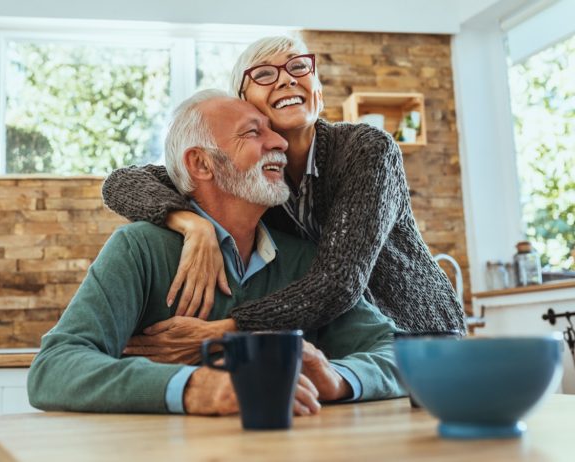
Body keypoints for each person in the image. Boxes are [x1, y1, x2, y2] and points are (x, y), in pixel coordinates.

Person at [27, 90, 406, 415]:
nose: (280, 143)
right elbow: (54, 368)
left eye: (273, 132)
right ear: (201, 163)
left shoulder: (304, 260)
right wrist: (196, 387)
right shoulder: (139, 249)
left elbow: (399, 355)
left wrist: (338, 379)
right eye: (253, 133)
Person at [101, 36, 466, 349]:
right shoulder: (251, 176)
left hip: (418, 335)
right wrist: (194, 225)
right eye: (264, 74)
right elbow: (122, 182)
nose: (287, 80)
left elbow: (338, 281)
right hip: (341, 344)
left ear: (318, 92)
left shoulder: (367, 150)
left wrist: (228, 330)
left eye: (298, 68)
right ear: (243, 101)